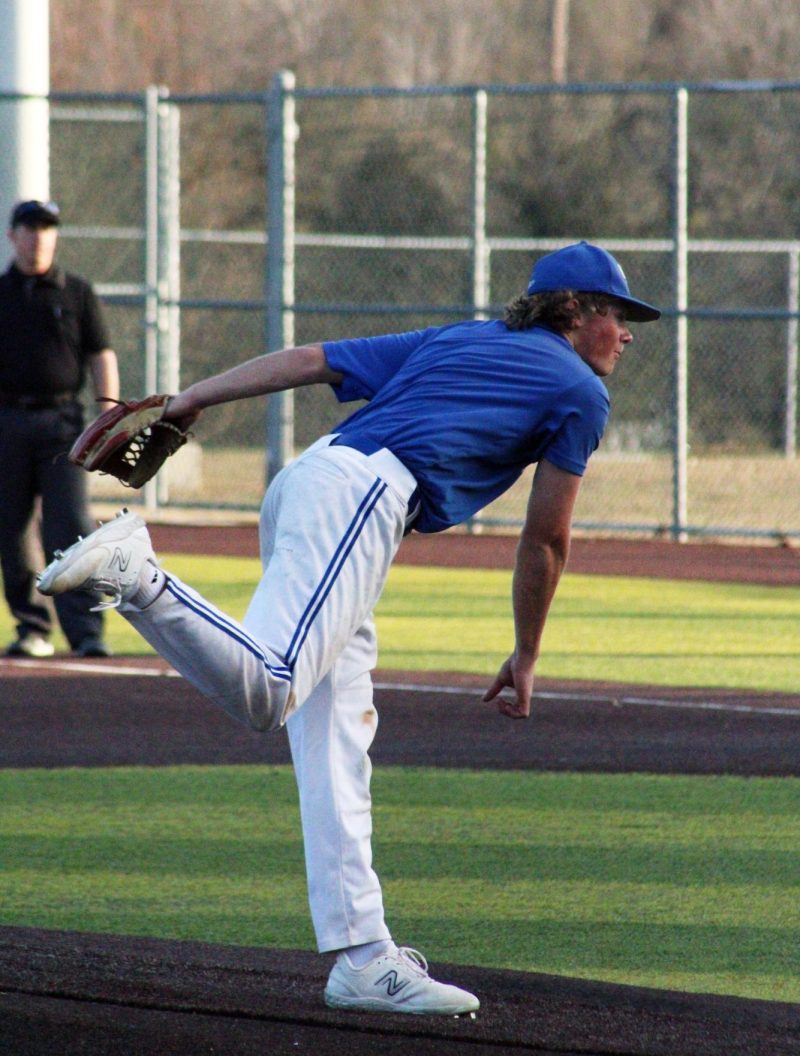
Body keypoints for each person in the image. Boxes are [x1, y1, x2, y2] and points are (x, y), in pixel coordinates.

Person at [38, 240, 660, 1014]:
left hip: (311, 479)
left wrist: (193, 396)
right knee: (271, 691)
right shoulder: (580, 390)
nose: (628, 332)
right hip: (364, 495)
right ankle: (139, 576)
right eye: (617, 313)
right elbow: (546, 538)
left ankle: (363, 955)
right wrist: (527, 651)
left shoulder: (465, 337)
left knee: (338, 729)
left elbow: (312, 359)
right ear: (573, 310)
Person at [0, 199, 120, 658]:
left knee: (69, 525)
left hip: (62, 422)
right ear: (13, 235)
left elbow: (101, 354)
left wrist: (109, 412)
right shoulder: (3, 292)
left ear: (55, 236)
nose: (38, 237)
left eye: (47, 228)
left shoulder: (76, 291)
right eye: (29, 228)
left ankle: (87, 633)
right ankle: (32, 628)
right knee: (10, 529)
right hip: (7, 420)